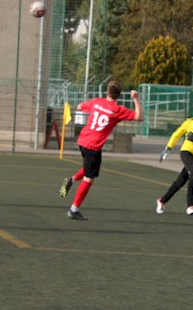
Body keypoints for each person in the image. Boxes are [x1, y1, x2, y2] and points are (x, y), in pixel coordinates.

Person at [59, 81, 143, 220]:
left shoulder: (97, 101)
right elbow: (139, 117)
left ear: (107, 92)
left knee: (90, 169)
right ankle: (73, 209)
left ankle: (71, 180)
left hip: (83, 140)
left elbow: (80, 106)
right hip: (93, 145)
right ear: (118, 95)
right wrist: (135, 98)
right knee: (89, 178)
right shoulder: (117, 109)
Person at [156, 101, 193, 216]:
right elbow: (176, 134)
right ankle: (190, 206)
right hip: (186, 152)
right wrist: (168, 148)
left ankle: (162, 200)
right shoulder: (190, 122)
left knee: (181, 181)